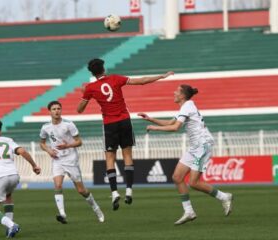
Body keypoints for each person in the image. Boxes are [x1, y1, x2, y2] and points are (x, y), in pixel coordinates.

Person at [77, 58, 174, 210]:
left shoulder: (90, 87)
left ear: (91, 72)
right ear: (103, 68)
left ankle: (115, 192)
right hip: (124, 121)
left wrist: (85, 95)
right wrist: (161, 76)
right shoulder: (115, 78)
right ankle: (129, 190)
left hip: (109, 124)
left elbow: (80, 109)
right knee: (127, 155)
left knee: (110, 157)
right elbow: (141, 81)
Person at [138, 84, 233, 225]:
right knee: (177, 177)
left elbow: (175, 127)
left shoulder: (187, 106)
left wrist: (154, 128)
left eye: (177, 91)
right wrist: (150, 119)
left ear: (182, 95)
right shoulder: (186, 107)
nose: (174, 93)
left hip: (202, 145)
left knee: (193, 183)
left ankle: (224, 197)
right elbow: (170, 122)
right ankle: (189, 212)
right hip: (195, 147)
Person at [0, 119, 41, 238]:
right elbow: (22, 151)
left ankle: (12, 225)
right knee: (8, 196)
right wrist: (34, 165)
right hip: (14, 176)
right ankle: (9, 229)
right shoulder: (8, 140)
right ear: (0, 130)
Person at [40, 101, 104, 224]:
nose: (57, 111)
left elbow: (79, 142)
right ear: (50, 111)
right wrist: (49, 150)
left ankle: (96, 208)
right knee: (58, 185)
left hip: (70, 159)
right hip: (57, 160)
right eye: (54, 109)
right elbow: (42, 143)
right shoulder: (45, 127)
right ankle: (62, 214)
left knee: (81, 190)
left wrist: (67, 145)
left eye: (59, 108)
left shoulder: (69, 124)